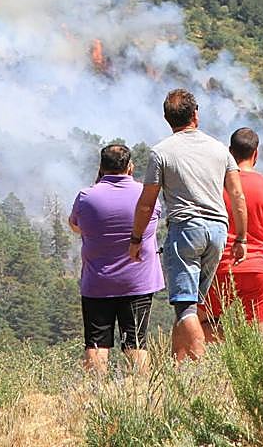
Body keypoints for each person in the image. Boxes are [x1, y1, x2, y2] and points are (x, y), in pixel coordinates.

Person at [130, 89, 248, 361]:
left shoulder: (160, 153)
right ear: (196, 115)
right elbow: (237, 195)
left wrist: (136, 239)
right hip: (218, 231)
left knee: (186, 307)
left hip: (186, 229)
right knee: (193, 304)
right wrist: (240, 238)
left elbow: (147, 203)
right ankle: (177, 364)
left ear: (166, 118)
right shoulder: (220, 150)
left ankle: (199, 368)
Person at [69, 143, 163, 374]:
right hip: (138, 281)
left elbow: (75, 225)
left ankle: (94, 395)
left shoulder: (86, 197)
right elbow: (152, 224)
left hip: (98, 282)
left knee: (96, 343)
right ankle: (141, 394)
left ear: (101, 167)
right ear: (130, 166)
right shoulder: (146, 196)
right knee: (136, 342)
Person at [201, 128, 263, 338]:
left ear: (229, 152)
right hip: (257, 267)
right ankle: (250, 368)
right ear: (256, 153)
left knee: (203, 322)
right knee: (256, 330)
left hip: (220, 266)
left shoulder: (216, 185)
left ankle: (205, 366)